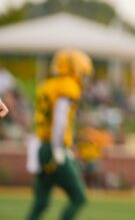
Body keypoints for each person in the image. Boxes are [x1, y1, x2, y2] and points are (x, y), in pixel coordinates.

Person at [26, 49, 94, 220]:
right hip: (54, 147)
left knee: (41, 202)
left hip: (41, 146)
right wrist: (58, 148)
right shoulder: (68, 86)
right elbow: (60, 119)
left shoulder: (46, 85)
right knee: (79, 197)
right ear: (74, 68)